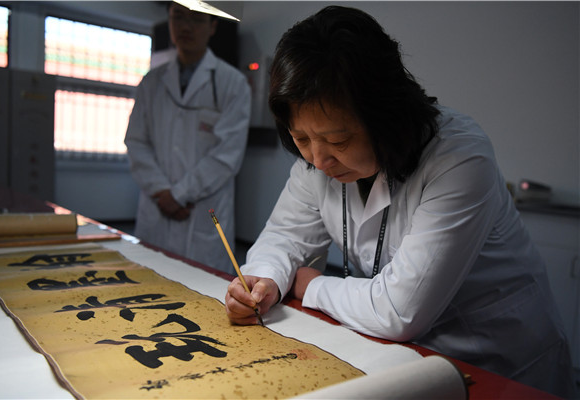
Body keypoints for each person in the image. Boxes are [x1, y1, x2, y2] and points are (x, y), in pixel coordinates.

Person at [224, 6, 575, 398]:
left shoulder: (459, 157)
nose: (318, 160)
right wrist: (263, 281)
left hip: (500, 361)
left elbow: (398, 310)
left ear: (384, 116)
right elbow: (285, 237)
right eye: (301, 139)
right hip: (409, 360)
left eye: (338, 142)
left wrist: (310, 286)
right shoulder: (317, 162)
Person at [125, 2, 251, 275]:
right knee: (148, 285)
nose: (185, 26)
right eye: (178, 17)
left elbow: (226, 155)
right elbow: (136, 142)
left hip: (202, 210)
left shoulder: (233, 84)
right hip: (157, 206)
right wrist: (162, 192)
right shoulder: (151, 83)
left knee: (204, 292)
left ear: (213, 25)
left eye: (196, 19)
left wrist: (180, 195)